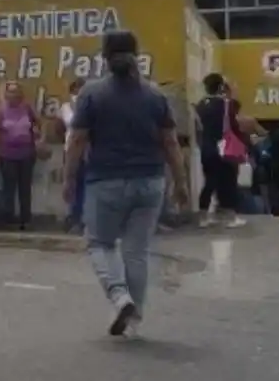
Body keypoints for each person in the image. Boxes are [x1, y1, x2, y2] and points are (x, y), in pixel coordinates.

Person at [64, 30, 189, 338]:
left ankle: (120, 297)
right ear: (137, 57)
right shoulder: (155, 95)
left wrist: (68, 179)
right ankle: (134, 320)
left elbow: (77, 140)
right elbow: (171, 143)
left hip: (105, 181)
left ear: (105, 59)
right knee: (137, 251)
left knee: (99, 243)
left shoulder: (91, 94)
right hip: (150, 182)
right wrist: (181, 183)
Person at [194, 74, 247, 229]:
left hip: (206, 148)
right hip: (224, 148)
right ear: (221, 87)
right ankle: (229, 217)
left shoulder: (200, 105)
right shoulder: (227, 104)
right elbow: (236, 111)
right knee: (229, 182)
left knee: (209, 182)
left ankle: (203, 216)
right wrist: (231, 91)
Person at [0, 81, 41, 230]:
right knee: (9, 188)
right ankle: (8, 218)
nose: (13, 95)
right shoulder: (0, 111)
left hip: (27, 153)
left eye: (16, 92)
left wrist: (39, 137)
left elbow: (40, 123)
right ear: (6, 95)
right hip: (7, 154)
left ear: (21, 94)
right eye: (10, 92)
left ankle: (26, 219)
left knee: (25, 187)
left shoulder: (27, 108)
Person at [60, 79, 87, 234]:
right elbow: (59, 127)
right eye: (77, 89)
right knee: (72, 184)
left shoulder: (92, 106)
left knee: (87, 184)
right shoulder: (66, 107)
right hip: (71, 149)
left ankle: (85, 219)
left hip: (89, 150)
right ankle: (73, 218)